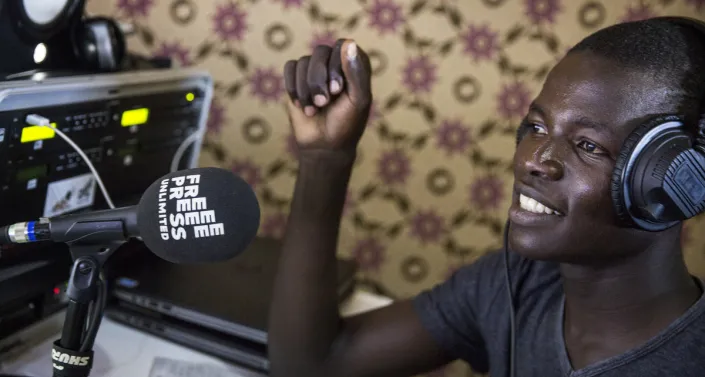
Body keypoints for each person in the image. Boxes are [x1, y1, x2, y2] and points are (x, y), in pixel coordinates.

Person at [267, 17, 705, 377]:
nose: (535, 160)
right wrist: (325, 157)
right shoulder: (515, 282)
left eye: (588, 145)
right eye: (536, 127)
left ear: (675, 184)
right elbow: (313, 365)